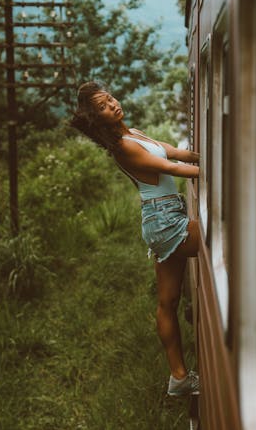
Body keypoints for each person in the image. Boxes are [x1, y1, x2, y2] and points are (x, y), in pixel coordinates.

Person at [69, 81, 201, 396]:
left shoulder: (134, 134)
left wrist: (205, 154)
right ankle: (179, 376)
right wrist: (219, 167)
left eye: (110, 99)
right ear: (97, 120)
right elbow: (170, 166)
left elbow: (175, 152)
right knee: (220, 236)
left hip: (162, 218)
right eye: (102, 107)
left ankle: (179, 379)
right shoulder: (123, 146)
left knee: (167, 302)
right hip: (165, 221)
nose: (112, 105)